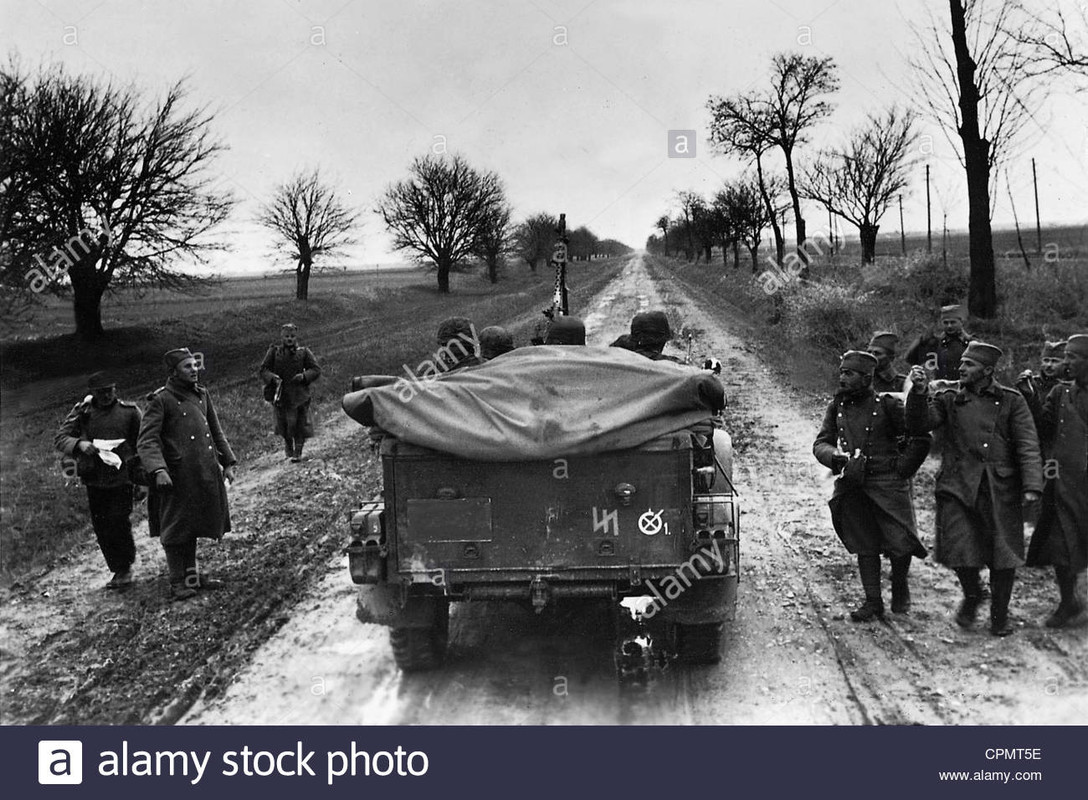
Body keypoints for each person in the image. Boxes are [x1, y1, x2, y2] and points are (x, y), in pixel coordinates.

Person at [906, 342, 1043, 636]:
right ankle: (973, 594)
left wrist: (1032, 485)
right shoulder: (949, 397)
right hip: (957, 484)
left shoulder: (1011, 400)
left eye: (968, 365)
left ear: (987, 370)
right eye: (962, 363)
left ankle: (1000, 615)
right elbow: (920, 424)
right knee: (958, 549)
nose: (961, 368)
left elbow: (1027, 444)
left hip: (999, 486)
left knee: (1002, 555)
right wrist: (918, 393)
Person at [813, 351, 926, 621]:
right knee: (865, 543)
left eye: (849, 373)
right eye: (841, 372)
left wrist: (903, 469)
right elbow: (821, 443)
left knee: (900, 542)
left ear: (866, 378)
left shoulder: (887, 405)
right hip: (854, 482)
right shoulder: (837, 406)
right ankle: (873, 601)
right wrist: (835, 458)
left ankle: (899, 585)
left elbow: (920, 436)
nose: (842, 377)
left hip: (888, 482)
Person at [138, 348, 237, 601]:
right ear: (173, 372)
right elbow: (146, 441)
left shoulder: (202, 394)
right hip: (176, 477)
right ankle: (176, 581)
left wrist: (228, 462)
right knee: (175, 529)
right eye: (187, 367)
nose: (194, 370)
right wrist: (159, 469)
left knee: (194, 525)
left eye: (195, 365)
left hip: (203, 472)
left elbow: (216, 431)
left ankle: (192, 577)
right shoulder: (160, 400)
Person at [54, 372, 143, 590]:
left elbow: (142, 444)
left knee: (119, 521)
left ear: (115, 389)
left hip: (122, 477)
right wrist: (79, 445)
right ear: (92, 393)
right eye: (100, 392)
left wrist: (143, 479)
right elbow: (61, 438)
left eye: (109, 390)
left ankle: (125, 568)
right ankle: (117, 568)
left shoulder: (129, 413)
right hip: (95, 479)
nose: (106, 396)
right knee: (102, 526)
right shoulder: (83, 412)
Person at [1024, 334, 1088, 628]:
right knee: (1062, 544)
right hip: (1064, 484)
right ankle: (1069, 602)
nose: (1066, 363)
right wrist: (1030, 398)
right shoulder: (1060, 394)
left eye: (1073, 357)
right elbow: (1043, 427)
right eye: (1066, 357)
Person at [259, 323, 321, 462]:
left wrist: (304, 376)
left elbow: (316, 369)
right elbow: (263, 369)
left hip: (299, 394)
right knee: (284, 424)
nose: (289, 339)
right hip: (281, 394)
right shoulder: (274, 352)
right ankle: (288, 445)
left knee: (300, 423)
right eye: (286, 336)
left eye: (292, 336)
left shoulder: (303, 352)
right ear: (282, 337)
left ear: (296, 337)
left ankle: (298, 451)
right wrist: (272, 378)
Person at [905, 304, 973, 381]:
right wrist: (921, 342)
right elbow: (911, 359)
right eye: (946, 323)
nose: (949, 326)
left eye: (953, 322)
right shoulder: (935, 343)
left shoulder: (971, 344)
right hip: (940, 389)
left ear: (962, 322)